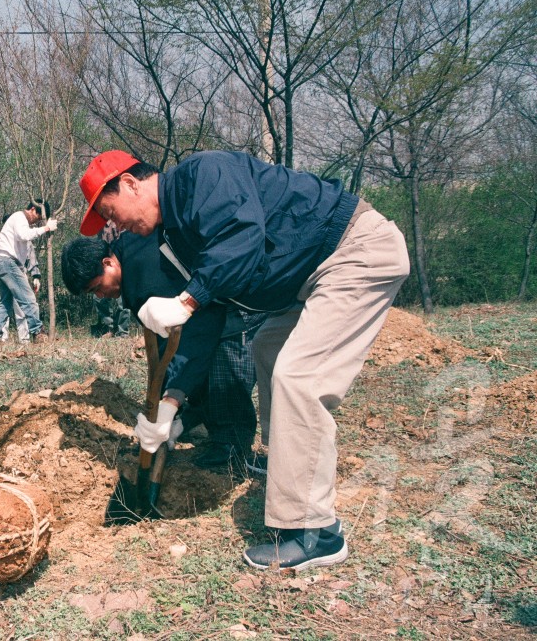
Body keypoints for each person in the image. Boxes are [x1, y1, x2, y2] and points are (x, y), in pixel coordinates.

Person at [76, 149, 410, 571]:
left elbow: (243, 237)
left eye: (111, 212)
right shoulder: (174, 234)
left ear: (130, 184)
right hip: (303, 279)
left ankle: (315, 533)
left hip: (351, 250)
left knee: (298, 377)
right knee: (268, 350)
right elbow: (202, 320)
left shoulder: (203, 175)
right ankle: (289, 470)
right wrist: (170, 404)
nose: (115, 226)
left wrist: (187, 298)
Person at [61, 233, 267, 472]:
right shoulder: (130, 260)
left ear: (108, 263)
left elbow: (199, 328)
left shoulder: (145, 273)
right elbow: (164, 340)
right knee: (194, 379)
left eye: (97, 287)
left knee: (223, 375)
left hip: (234, 305)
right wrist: (165, 399)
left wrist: (172, 397)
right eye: (92, 293)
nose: (99, 295)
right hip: (208, 312)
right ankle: (198, 421)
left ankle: (232, 452)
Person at [0, 199, 57, 343]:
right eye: (37, 218)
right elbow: (24, 235)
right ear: (32, 209)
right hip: (7, 261)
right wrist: (46, 228)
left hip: (1, 262)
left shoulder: (17, 219)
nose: (35, 223)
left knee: (4, 303)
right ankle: (37, 332)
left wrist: (35, 273)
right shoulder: (19, 217)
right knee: (28, 298)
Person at [0, 214, 41, 343]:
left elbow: (32, 258)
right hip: (5, 268)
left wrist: (35, 275)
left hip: (18, 271)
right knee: (13, 301)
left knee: (14, 306)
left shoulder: (26, 239)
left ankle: (21, 338)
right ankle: (36, 332)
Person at [92, 222, 129, 338]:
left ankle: (122, 332)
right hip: (104, 266)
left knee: (122, 302)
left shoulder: (117, 222)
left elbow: (123, 244)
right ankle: (109, 328)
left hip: (119, 266)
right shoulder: (99, 227)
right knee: (98, 298)